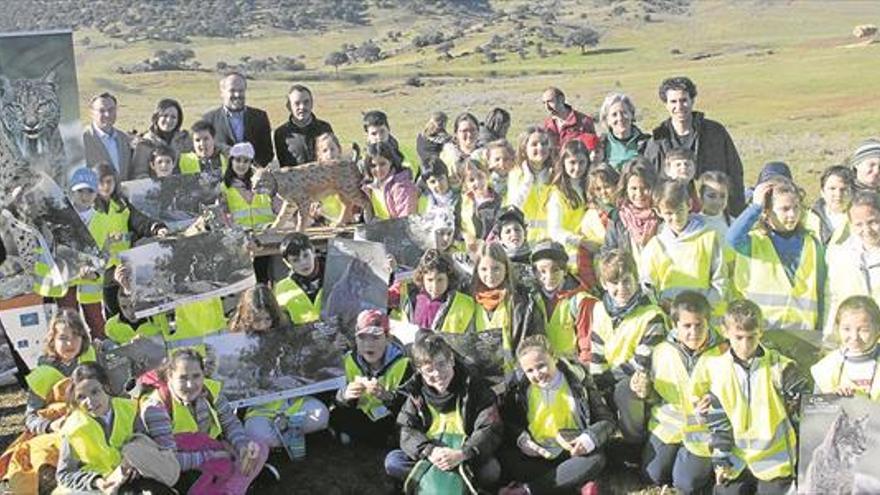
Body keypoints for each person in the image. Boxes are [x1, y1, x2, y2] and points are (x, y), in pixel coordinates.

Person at [690, 300, 807, 495]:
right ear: (725, 331)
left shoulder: (781, 367)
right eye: (739, 337)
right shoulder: (717, 369)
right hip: (737, 461)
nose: (745, 345)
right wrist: (721, 461)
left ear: (761, 331)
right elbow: (719, 422)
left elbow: (808, 402)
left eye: (751, 337)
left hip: (774, 461)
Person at [727, 175, 825, 367]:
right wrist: (754, 207)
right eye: (784, 209)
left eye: (796, 207)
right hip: (766, 332)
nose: (792, 214)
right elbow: (732, 238)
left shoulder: (812, 243)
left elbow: (820, 288)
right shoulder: (755, 241)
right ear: (767, 213)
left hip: (803, 334)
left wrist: (821, 329)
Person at [384, 333, 502, 492]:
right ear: (420, 371)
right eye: (429, 370)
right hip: (431, 455)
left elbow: (490, 427)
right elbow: (406, 429)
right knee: (393, 461)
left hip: (464, 455)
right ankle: (454, 482)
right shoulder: (416, 394)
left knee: (491, 470)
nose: (437, 374)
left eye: (441, 364)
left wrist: (462, 454)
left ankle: (437, 481)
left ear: (451, 360)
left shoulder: (476, 389)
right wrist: (430, 451)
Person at [498, 335, 614, 495]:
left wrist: (588, 439)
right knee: (504, 458)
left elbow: (606, 420)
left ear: (554, 358)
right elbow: (509, 422)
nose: (537, 374)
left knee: (596, 460)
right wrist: (522, 439)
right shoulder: (520, 388)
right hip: (539, 453)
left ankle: (528, 490)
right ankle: (573, 484)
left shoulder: (579, 380)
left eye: (541, 366)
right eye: (530, 370)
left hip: (572, 452)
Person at [139, 350, 266, 494]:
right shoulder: (156, 408)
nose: (190, 384)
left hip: (214, 450)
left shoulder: (211, 392)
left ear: (203, 374)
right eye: (183, 378)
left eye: (196, 376)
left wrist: (242, 447)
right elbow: (170, 461)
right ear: (169, 377)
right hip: (184, 468)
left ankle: (232, 488)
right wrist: (211, 456)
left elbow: (230, 424)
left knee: (258, 448)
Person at [0, 310, 97, 493]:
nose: (70, 343)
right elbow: (31, 418)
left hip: (91, 425)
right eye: (63, 337)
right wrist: (51, 425)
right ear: (52, 340)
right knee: (42, 464)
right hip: (56, 431)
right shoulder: (43, 372)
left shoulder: (93, 361)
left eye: (76, 336)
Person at [226, 285, 329, 451]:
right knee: (254, 433)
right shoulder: (235, 339)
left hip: (291, 401)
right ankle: (289, 434)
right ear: (247, 318)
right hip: (260, 408)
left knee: (321, 414)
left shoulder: (286, 330)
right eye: (257, 320)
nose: (264, 325)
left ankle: (283, 433)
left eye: (268, 319)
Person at [638, 292, 722, 493]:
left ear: (707, 322)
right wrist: (645, 390)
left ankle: (704, 468)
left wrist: (717, 401)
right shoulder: (660, 351)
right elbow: (655, 396)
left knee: (685, 484)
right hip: (669, 425)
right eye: (686, 326)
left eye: (699, 325)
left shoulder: (724, 351)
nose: (693, 332)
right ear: (674, 325)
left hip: (704, 429)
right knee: (653, 476)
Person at [57, 363, 178, 494]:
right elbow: (65, 475)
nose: (90, 401)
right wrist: (96, 481)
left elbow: (144, 442)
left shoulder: (129, 408)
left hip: (133, 477)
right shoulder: (72, 428)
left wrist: (133, 464)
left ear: (106, 387)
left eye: (95, 392)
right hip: (97, 488)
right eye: (81, 397)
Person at [589, 249, 666, 444]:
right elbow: (596, 351)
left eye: (626, 280)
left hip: (640, 383)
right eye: (614, 283)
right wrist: (596, 383)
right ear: (604, 284)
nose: (621, 288)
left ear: (636, 278)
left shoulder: (652, 315)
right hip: (610, 377)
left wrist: (605, 381)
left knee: (625, 389)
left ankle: (636, 442)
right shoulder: (599, 309)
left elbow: (641, 363)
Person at [644, 76, 746, 215]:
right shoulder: (657, 141)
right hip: (674, 217)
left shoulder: (715, 132)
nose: (679, 107)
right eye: (673, 101)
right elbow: (649, 183)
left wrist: (737, 212)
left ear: (692, 100)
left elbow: (734, 172)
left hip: (714, 213)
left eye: (684, 100)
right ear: (666, 104)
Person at [640, 179, 727, 311]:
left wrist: (701, 308)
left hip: (703, 316)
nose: (675, 218)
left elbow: (720, 281)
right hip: (671, 318)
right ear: (658, 212)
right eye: (669, 213)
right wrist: (661, 304)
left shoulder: (709, 238)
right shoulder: (655, 246)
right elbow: (647, 286)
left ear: (689, 205)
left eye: (679, 210)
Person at [332, 309, 413, 446]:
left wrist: (387, 396)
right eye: (362, 337)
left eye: (376, 337)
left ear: (388, 338)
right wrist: (345, 395)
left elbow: (410, 404)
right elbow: (333, 399)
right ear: (355, 339)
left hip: (389, 416)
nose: (368, 344)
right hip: (358, 414)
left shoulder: (404, 364)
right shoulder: (348, 361)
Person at [470, 243, 543, 371]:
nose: (490, 275)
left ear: (506, 269)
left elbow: (534, 339)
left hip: (514, 374)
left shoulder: (521, 302)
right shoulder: (470, 300)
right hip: (480, 374)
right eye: (484, 269)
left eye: (496, 268)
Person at [530, 240, 598, 362]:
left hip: (572, 368)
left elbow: (587, 344)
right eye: (542, 271)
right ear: (534, 273)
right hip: (541, 369)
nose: (549, 277)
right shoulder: (531, 299)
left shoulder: (581, 301)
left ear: (565, 271)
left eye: (555, 270)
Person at [823, 192, 880, 337]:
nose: (866, 230)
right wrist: (828, 335)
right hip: (853, 340)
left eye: (873, 222)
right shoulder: (840, 256)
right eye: (859, 224)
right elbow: (833, 298)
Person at [63, 167, 107, 337]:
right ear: (71, 191)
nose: (85, 195)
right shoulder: (61, 218)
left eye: (90, 191)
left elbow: (106, 252)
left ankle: (102, 357)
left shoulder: (103, 220)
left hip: (91, 283)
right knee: (69, 323)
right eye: (80, 190)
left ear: (96, 193)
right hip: (67, 282)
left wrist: (96, 273)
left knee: (97, 323)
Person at [390, 249, 475, 332]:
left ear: (449, 278)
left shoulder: (463, 304)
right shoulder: (408, 296)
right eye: (430, 280)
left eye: (440, 280)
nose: (435, 286)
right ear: (422, 278)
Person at [547, 139, 595, 286]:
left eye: (582, 162)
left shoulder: (590, 188)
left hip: (591, 254)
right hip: (570, 259)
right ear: (563, 163)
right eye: (572, 163)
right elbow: (554, 230)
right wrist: (582, 242)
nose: (577, 168)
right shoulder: (558, 194)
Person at [811, 295, 880, 399]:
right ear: (838, 328)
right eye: (847, 329)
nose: (854, 337)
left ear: (877, 330)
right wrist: (832, 398)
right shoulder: (826, 368)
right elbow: (817, 410)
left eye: (863, 330)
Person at [202, 72, 273, 166]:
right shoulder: (209, 120)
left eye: (241, 90)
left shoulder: (260, 117)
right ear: (222, 92)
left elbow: (267, 153)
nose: (237, 94)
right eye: (232, 90)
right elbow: (205, 151)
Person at [602, 159, 661, 267]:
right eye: (634, 188)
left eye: (645, 188)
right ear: (626, 189)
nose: (639, 194)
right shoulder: (618, 218)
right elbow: (607, 252)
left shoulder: (663, 216)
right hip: (629, 280)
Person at [506, 126, 556, 243]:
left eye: (544, 144)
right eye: (534, 144)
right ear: (524, 148)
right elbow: (514, 207)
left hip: (550, 239)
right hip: (523, 238)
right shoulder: (516, 174)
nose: (540, 148)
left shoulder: (555, 173)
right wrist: (528, 180)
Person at [222, 142, 281, 231]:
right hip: (241, 238)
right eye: (238, 160)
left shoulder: (265, 182)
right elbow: (223, 218)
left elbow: (281, 209)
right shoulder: (223, 188)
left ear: (251, 163)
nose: (241, 165)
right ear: (231, 161)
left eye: (246, 161)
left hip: (268, 235)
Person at [131, 99, 193, 180]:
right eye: (165, 115)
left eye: (173, 117)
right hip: (154, 189)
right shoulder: (144, 143)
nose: (168, 120)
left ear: (178, 120)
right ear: (157, 117)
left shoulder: (184, 140)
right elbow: (139, 174)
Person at [273, 84, 333, 167]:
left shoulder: (324, 128)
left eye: (306, 102)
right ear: (289, 106)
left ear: (312, 103)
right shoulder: (281, 134)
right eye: (297, 103)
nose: (302, 107)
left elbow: (333, 159)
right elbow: (283, 167)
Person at [273, 233, 324, 325]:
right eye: (295, 260)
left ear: (313, 252)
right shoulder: (281, 288)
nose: (303, 262)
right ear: (287, 263)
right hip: (303, 337)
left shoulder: (335, 275)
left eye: (306, 255)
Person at [82, 92, 135, 181]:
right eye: (102, 110)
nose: (107, 114)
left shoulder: (123, 139)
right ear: (92, 113)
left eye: (111, 110)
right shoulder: (81, 140)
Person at [361, 141, 418, 221]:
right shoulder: (368, 186)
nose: (378, 169)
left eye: (382, 164)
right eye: (373, 165)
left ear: (391, 162)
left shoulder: (402, 187)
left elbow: (406, 221)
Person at [597, 92, 649, 170]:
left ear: (632, 114)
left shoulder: (647, 142)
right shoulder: (601, 144)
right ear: (607, 120)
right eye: (614, 114)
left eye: (624, 113)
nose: (620, 118)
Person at [805, 165, 853, 246]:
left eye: (844, 189)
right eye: (832, 188)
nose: (838, 194)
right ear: (822, 192)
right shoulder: (807, 218)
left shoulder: (861, 219)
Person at [459, 160, 502, 249]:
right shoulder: (463, 202)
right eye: (471, 180)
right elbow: (458, 225)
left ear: (487, 176)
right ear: (465, 185)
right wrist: (465, 235)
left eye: (480, 176)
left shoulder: (498, 201)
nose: (477, 182)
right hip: (472, 248)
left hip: (493, 248)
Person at [579, 164, 619, 253]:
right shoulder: (591, 216)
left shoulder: (625, 210)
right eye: (598, 189)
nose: (603, 192)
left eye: (607, 186)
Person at [417, 156, 461, 226]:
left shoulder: (458, 196)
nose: (438, 184)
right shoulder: (428, 196)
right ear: (427, 184)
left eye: (441, 179)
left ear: (447, 177)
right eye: (432, 182)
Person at [440, 112, 481, 187]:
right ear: (456, 134)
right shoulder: (449, 156)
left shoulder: (486, 154)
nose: (469, 134)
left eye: (473, 130)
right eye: (464, 131)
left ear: (478, 132)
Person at [698, 170, 733, 242]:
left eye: (722, 196)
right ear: (701, 197)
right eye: (711, 196)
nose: (717, 201)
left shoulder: (734, 224)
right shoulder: (694, 223)